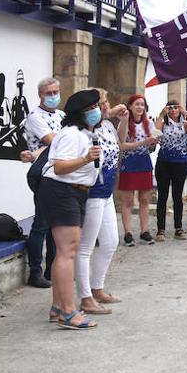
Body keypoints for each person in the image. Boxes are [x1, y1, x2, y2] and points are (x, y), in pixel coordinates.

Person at [40, 90, 103, 330]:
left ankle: (58, 305)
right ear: (81, 113)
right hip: (62, 190)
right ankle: (67, 312)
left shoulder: (84, 133)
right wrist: (86, 159)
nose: (98, 111)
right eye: (93, 107)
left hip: (73, 191)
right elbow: (59, 167)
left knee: (64, 251)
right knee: (68, 251)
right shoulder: (71, 134)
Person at [74, 89, 125, 316]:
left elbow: (118, 145)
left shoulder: (106, 126)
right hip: (92, 192)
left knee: (111, 242)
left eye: (106, 102)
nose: (105, 106)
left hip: (107, 193)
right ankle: (86, 297)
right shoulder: (81, 132)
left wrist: (120, 120)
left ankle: (98, 287)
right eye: (101, 103)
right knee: (85, 247)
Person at [21, 76, 64, 288]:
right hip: (43, 174)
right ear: (40, 95)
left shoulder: (62, 115)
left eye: (56, 92)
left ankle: (52, 268)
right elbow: (52, 140)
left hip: (60, 174)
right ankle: (35, 271)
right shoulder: (34, 116)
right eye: (49, 93)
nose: (53, 96)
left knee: (55, 224)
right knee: (41, 224)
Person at [117, 94, 158, 245]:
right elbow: (121, 144)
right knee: (127, 200)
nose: (140, 107)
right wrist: (143, 142)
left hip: (144, 163)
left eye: (142, 104)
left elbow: (151, 147)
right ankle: (128, 232)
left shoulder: (150, 124)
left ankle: (144, 231)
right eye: (137, 104)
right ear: (130, 106)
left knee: (145, 199)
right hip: (129, 164)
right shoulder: (124, 123)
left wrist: (153, 143)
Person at [154, 101, 187, 240]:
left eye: (176, 107)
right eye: (170, 107)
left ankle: (179, 228)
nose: (173, 110)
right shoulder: (163, 122)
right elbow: (154, 133)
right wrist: (161, 115)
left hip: (179, 163)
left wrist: (186, 113)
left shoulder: (185, 123)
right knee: (163, 197)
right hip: (163, 162)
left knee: (177, 197)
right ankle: (161, 229)